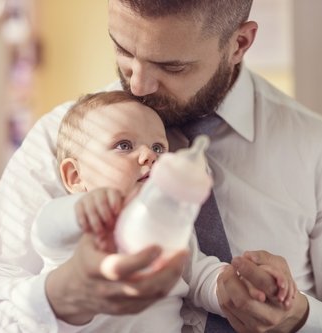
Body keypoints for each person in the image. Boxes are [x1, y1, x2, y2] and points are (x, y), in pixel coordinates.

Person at [0, 0, 322, 332]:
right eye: (122, 49)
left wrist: (302, 318)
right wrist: (63, 297)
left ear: (239, 43)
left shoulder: (321, 149)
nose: (139, 84)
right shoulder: (63, 137)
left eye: (171, 65)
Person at [29, 90, 293, 332]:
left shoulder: (168, 225)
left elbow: (198, 276)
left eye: (158, 148)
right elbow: (45, 230)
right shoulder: (75, 225)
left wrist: (233, 284)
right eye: (124, 145)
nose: (149, 156)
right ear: (75, 176)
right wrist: (81, 210)